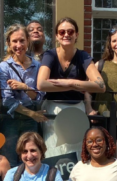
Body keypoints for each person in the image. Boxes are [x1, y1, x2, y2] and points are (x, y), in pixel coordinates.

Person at [37, 17, 104, 149]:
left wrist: (70, 83)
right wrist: (78, 86)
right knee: (53, 149)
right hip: (53, 110)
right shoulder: (50, 55)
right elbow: (41, 84)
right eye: (62, 32)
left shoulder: (83, 56)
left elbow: (100, 85)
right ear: (56, 36)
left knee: (75, 149)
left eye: (70, 32)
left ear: (76, 34)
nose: (66, 35)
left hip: (76, 110)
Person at [0, 24, 47, 166]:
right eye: (14, 41)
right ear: (8, 43)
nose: (18, 45)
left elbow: (39, 95)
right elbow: (7, 100)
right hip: (10, 120)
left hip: (31, 121)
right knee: (10, 161)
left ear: (28, 41)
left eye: (22, 40)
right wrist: (32, 114)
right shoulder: (4, 67)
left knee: (31, 160)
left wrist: (24, 87)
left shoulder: (37, 66)